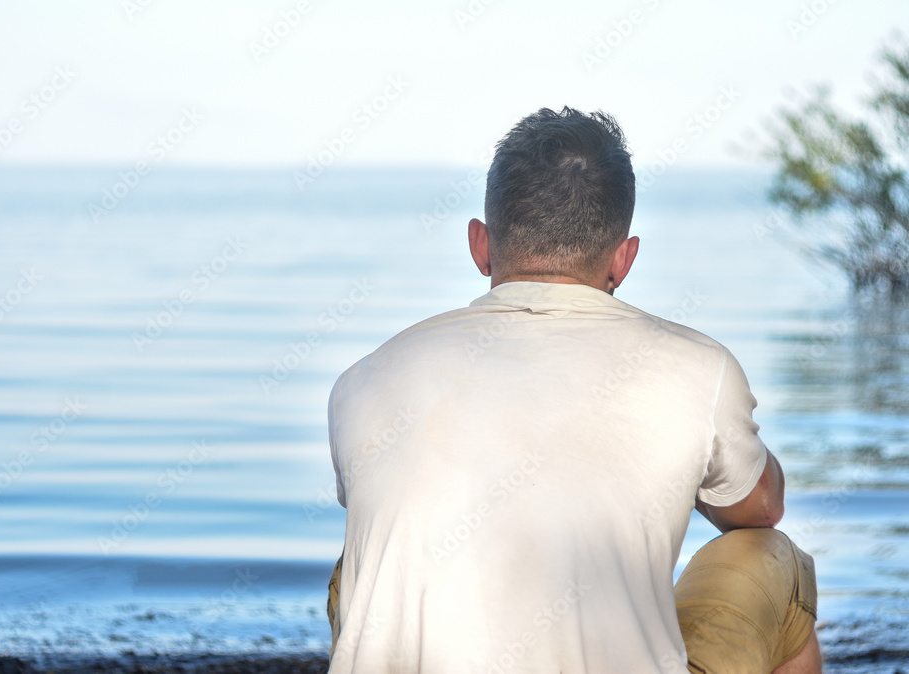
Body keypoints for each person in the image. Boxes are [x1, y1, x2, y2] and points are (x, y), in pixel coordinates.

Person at [324, 107, 820, 673]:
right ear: (624, 259)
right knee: (777, 560)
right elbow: (761, 510)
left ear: (480, 245)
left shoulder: (363, 379)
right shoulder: (697, 366)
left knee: (357, 569)